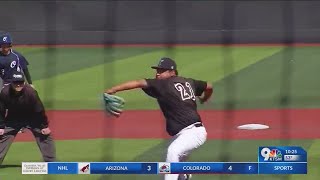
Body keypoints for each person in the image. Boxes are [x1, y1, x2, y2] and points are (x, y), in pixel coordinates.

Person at [105, 57, 213, 180]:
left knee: (173, 152)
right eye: (157, 70)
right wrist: (205, 98)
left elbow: (137, 82)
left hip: (192, 133)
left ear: (172, 72)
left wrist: (112, 90)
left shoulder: (163, 84)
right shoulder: (189, 81)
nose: (158, 73)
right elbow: (209, 86)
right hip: (186, 134)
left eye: (162, 71)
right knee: (178, 167)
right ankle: (185, 175)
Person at [0, 70, 56, 165]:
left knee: (45, 135)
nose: (18, 85)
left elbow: (39, 109)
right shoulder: (5, 92)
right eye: (16, 83)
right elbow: (0, 110)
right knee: (2, 136)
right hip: (13, 118)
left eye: (20, 82)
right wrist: (1, 126)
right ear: (11, 83)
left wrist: (44, 126)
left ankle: (51, 163)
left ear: (24, 82)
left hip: (32, 118)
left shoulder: (30, 92)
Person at [0, 33, 34, 133]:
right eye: (3, 45)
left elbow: (25, 69)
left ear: (10, 45)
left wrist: (30, 83)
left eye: (6, 45)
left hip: (19, 83)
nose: (5, 47)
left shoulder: (17, 56)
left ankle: (23, 124)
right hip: (6, 83)